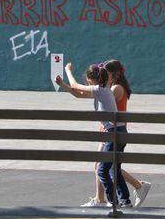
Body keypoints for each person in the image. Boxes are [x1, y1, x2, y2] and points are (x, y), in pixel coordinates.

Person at [55, 62, 132, 207]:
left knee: (102, 171)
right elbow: (78, 94)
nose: (87, 82)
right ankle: (125, 201)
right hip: (120, 132)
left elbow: (76, 85)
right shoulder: (102, 90)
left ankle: (113, 202)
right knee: (114, 169)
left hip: (113, 134)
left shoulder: (100, 90)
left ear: (94, 80)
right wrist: (62, 84)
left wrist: (67, 71)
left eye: (89, 80)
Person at [80, 60, 151, 208]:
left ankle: (135, 187)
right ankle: (106, 198)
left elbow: (98, 96)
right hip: (109, 131)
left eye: (105, 74)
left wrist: (74, 87)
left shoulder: (115, 89)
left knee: (105, 167)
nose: (103, 76)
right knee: (106, 167)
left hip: (113, 132)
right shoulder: (113, 87)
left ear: (114, 75)